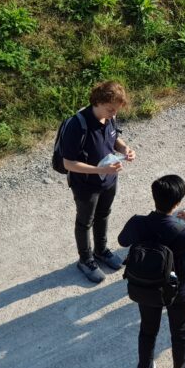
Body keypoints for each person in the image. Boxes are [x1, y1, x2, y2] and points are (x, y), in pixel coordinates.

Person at [118, 175, 185, 368]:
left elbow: (122, 241)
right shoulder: (182, 229)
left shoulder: (137, 223)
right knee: (179, 333)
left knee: (147, 331)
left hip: (145, 285)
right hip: (177, 288)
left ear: (154, 197)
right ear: (177, 203)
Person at [61, 80, 136, 283]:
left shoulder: (108, 117)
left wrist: (124, 149)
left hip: (109, 179)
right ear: (97, 102)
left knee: (103, 215)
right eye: (110, 110)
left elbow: (113, 139)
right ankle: (85, 260)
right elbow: (68, 163)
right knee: (85, 222)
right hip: (85, 184)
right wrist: (99, 170)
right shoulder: (76, 125)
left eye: (116, 111)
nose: (114, 114)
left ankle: (101, 251)